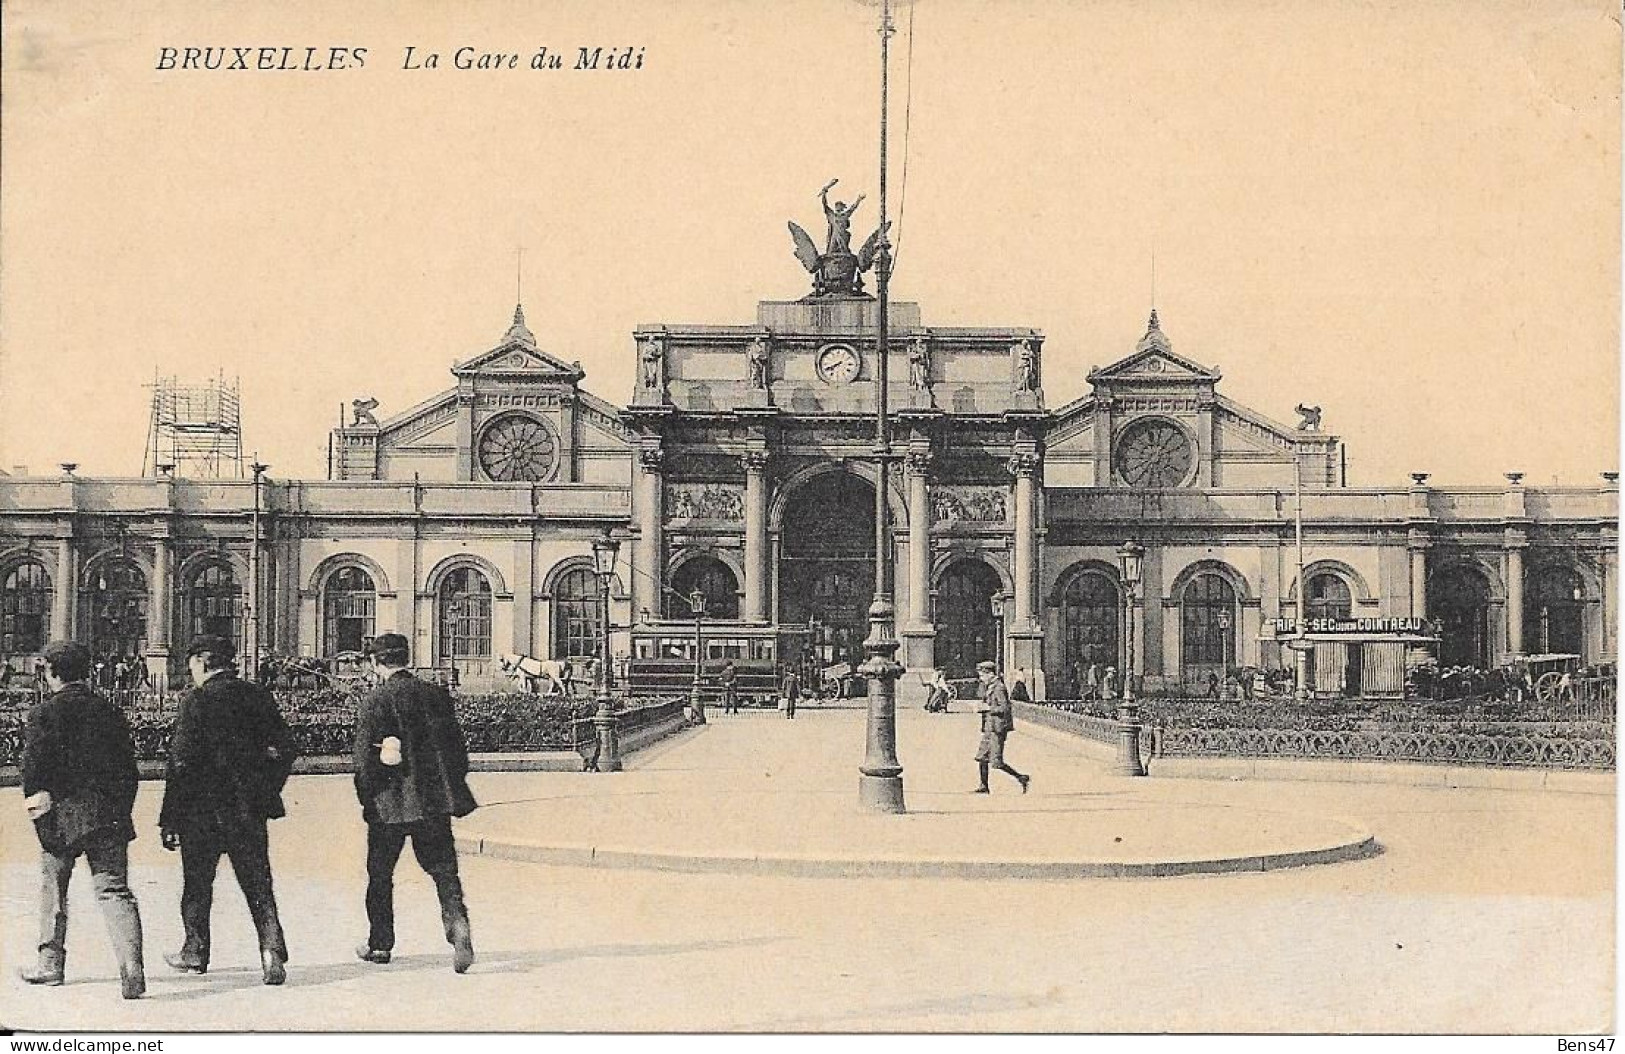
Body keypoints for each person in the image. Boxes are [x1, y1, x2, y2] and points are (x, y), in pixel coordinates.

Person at [158, 635, 295, 986]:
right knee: (258, 882)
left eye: (192, 664)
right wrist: (266, 788)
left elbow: (181, 763)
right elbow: (286, 748)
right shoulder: (257, 695)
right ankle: (271, 950)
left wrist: (170, 818)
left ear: (203, 662)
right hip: (247, 809)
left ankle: (195, 952)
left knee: (197, 885)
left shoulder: (197, 700)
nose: (191, 671)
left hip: (201, 812)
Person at [19, 641, 146, 999]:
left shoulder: (44, 714)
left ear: (52, 672)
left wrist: (40, 819)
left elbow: (34, 774)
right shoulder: (110, 711)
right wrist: (120, 811)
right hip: (107, 817)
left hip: (60, 818)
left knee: (53, 889)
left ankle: (49, 965)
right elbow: (128, 771)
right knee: (114, 891)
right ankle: (132, 966)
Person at [353, 633, 478, 974]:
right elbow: (456, 751)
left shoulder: (376, 699)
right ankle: (458, 925)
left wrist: (368, 799)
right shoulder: (435, 695)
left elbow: (364, 760)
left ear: (377, 663)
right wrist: (450, 789)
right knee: (443, 870)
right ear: (407, 658)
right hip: (433, 803)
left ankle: (380, 945)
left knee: (380, 874)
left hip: (389, 804)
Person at [972, 661, 1029, 794]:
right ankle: (983, 786)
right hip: (989, 728)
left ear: (989, 674)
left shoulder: (999, 687)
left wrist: (988, 708)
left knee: (997, 762)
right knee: (981, 757)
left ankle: (1021, 777)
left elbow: (1005, 708)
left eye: (982, 675)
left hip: (997, 729)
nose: (981, 678)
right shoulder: (991, 686)